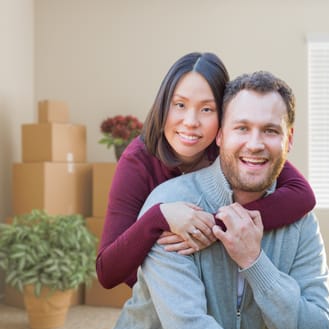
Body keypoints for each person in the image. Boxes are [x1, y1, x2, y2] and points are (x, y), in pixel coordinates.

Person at [105, 71, 329, 329]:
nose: (255, 144)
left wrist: (254, 261)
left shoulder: (301, 223)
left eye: (270, 130)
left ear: (288, 140)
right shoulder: (172, 206)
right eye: (242, 128)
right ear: (220, 136)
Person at [96, 52, 316, 289]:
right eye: (179, 105)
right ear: (163, 106)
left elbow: (302, 195)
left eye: (207, 109)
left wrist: (210, 225)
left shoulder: (232, 149)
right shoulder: (138, 160)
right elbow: (107, 272)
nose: (191, 121)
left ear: (223, 119)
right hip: (159, 288)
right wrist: (160, 217)